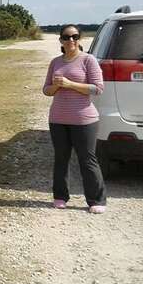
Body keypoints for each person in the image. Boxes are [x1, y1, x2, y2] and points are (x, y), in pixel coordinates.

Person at [42, 25, 107, 214]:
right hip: (58, 119)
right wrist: (55, 87)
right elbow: (46, 90)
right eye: (67, 37)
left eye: (75, 36)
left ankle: (96, 200)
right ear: (61, 40)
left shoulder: (88, 60)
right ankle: (60, 197)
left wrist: (71, 84)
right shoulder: (55, 62)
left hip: (84, 120)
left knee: (87, 159)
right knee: (61, 158)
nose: (71, 40)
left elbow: (98, 89)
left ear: (80, 39)